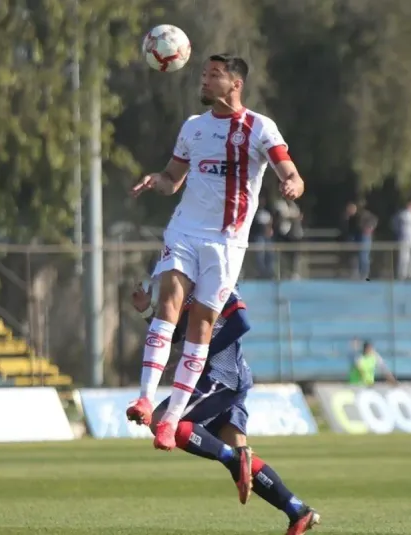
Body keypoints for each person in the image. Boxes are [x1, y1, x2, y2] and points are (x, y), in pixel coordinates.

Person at [127, 53, 305, 451]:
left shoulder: (260, 128)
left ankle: (171, 419)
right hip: (185, 231)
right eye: (204, 75)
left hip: (227, 243)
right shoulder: (193, 127)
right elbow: (173, 179)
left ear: (235, 84)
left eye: (214, 76)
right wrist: (156, 180)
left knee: (201, 327)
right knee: (170, 303)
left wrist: (292, 185)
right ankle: (143, 396)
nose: (204, 82)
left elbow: (290, 172)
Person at [130, 281, 320, 535]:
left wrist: (203, 353)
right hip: (223, 379)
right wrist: (146, 312)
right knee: (240, 455)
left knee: (162, 421)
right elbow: (177, 336)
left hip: (221, 377)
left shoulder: (217, 283)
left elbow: (241, 322)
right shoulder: (188, 291)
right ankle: (298, 510)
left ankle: (232, 457)